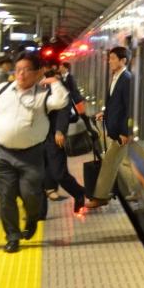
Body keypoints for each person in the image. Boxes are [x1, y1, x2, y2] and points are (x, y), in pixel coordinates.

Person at [0, 51, 69, 253]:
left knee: (31, 195)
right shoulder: (2, 90)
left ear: (37, 73)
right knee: (6, 197)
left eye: (27, 70)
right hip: (3, 154)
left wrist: (55, 82)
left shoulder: (43, 95)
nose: (21, 74)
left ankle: (32, 218)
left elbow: (61, 102)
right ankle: (12, 236)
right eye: (18, 69)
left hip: (32, 155)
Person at [85, 47, 132, 208]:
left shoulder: (126, 79)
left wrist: (125, 132)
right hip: (114, 129)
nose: (109, 61)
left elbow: (128, 107)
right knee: (118, 162)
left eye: (112, 58)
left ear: (123, 60)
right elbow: (115, 103)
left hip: (120, 132)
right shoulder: (116, 77)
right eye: (109, 58)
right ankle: (132, 192)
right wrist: (105, 114)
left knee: (109, 162)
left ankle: (101, 196)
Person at [42, 61, 86, 211]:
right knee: (35, 176)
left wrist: (60, 130)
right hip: (34, 138)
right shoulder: (29, 88)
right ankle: (38, 212)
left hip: (52, 135)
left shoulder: (56, 85)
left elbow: (64, 109)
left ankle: (79, 192)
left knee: (59, 173)